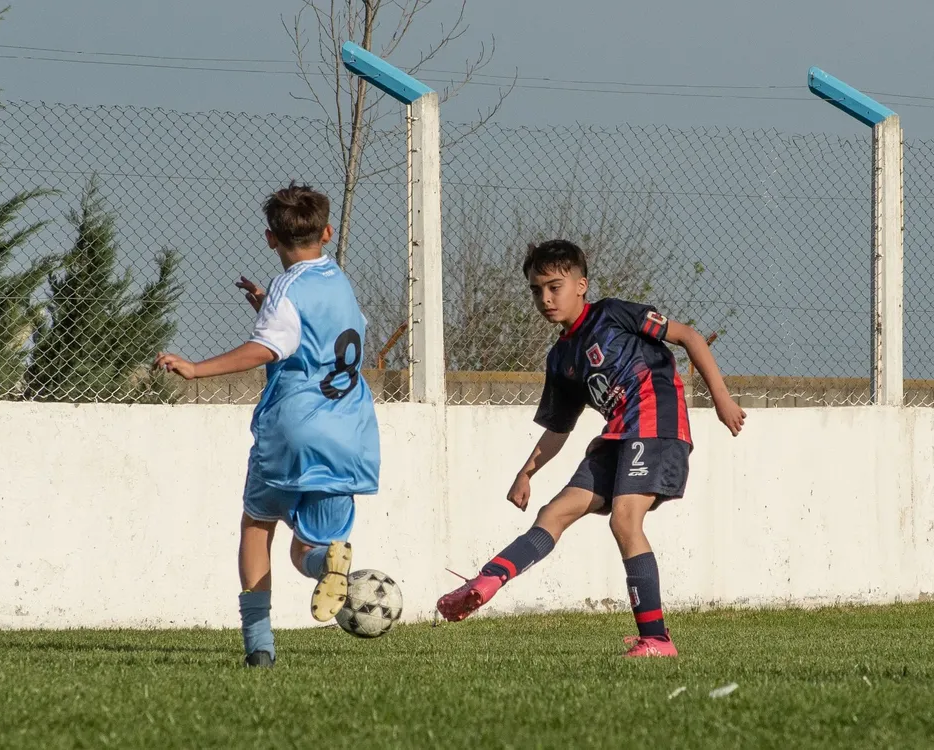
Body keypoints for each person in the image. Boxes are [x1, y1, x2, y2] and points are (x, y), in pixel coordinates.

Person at [435, 239, 745, 657]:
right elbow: (559, 428)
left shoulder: (613, 313)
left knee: (624, 520)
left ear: (581, 284)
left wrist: (720, 397)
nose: (545, 298)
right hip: (617, 434)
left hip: (655, 423)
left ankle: (656, 639)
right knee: (554, 513)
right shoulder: (561, 357)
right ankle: (486, 581)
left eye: (554, 287)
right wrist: (527, 472)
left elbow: (688, 336)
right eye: (536, 290)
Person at [154, 182, 380, 668]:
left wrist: (197, 368)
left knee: (257, 525)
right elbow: (319, 337)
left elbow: (269, 348)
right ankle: (329, 565)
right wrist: (267, 308)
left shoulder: (288, 287)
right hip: (349, 433)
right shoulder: (339, 280)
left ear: (269, 238)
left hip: (293, 429)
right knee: (311, 547)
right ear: (327, 231)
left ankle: (260, 646)